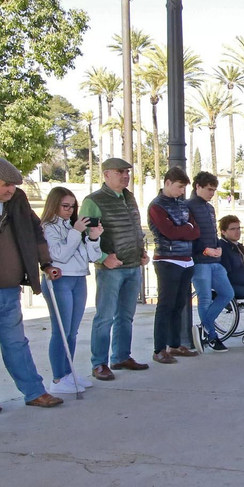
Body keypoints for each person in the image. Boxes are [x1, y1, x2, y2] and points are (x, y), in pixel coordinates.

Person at [0, 156, 64, 414]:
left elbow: (35, 231)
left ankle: (34, 392)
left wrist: (45, 263)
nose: (11, 190)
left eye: (14, 185)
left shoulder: (17, 200)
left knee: (17, 344)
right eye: (6, 185)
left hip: (9, 291)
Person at [81, 157, 149, 380]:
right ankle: (99, 363)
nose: (125, 175)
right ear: (106, 174)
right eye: (119, 171)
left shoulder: (129, 198)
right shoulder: (93, 200)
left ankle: (121, 356)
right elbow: (84, 236)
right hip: (110, 269)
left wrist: (141, 251)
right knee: (105, 317)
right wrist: (102, 258)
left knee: (125, 316)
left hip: (132, 265)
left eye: (127, 171)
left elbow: (135, 227)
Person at [40, 187, 102, 395]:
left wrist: (93, 238)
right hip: (60, 279)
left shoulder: (72, 226)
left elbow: (91, 257)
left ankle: (67, 373)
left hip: (79, 278)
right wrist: (76, 232)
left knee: (72, 331)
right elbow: (59, 254)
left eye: (72, 206)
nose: (69, 210)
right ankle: (58, 378)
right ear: (54, 205)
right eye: (65, 206)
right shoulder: (49, 227)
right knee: (61, 330)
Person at [148, 168, 201, 363]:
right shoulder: (156, 206)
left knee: (179, 304)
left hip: (186, 259)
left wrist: (184, 229)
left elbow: (196, 231)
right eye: (179, 187)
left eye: (183, 188)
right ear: (168, 183)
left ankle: (175, 344)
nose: (181, 192)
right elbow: (168, 232)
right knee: (165, 305)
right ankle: (159, 349)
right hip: (167, 260)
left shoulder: (182, 205)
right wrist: (185, 228)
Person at [187, 172, 230, 350]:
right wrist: (204, 250)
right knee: (204, 299)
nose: (212, 193)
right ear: (198, 186)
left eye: (214, 190)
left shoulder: (209, 208)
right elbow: (188, 236)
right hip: (199, 261)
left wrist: (218, 246)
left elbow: (212, 233)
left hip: (214, 259)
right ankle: (212, 335)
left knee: (227, 293)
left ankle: (205, 326)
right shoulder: (188, 206)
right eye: (209, 189)